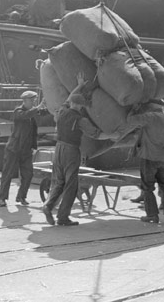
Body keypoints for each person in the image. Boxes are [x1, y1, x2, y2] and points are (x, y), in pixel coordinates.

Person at [42, 74, 101, 226]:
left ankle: (48, 205)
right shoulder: (80, 119)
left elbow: (69, 98)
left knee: (59, 182)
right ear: (81, 107)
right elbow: (96, 134)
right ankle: (63, 217)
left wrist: (79, 85)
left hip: (58, 149)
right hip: (71, 151)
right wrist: (118, 134)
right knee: (71, 185)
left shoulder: (62, 111)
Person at [127, 99, 164, 224]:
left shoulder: (149, 117)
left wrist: (134, 109)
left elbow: (130, 120)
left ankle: (152, 215)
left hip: (149, 157)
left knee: (147, 187)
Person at [0, 90, 48, 207]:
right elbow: (26, 115)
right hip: (13, 149)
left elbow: (43, 112)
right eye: (32, 100)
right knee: (8, 174)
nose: (34, 102)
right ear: (25, 101)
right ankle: (2, 199)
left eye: (34, 101)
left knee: (28, 174)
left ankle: (21, 196)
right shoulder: (18, 111)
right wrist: (39, 107)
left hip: (26, 150)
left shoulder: (32, 112)